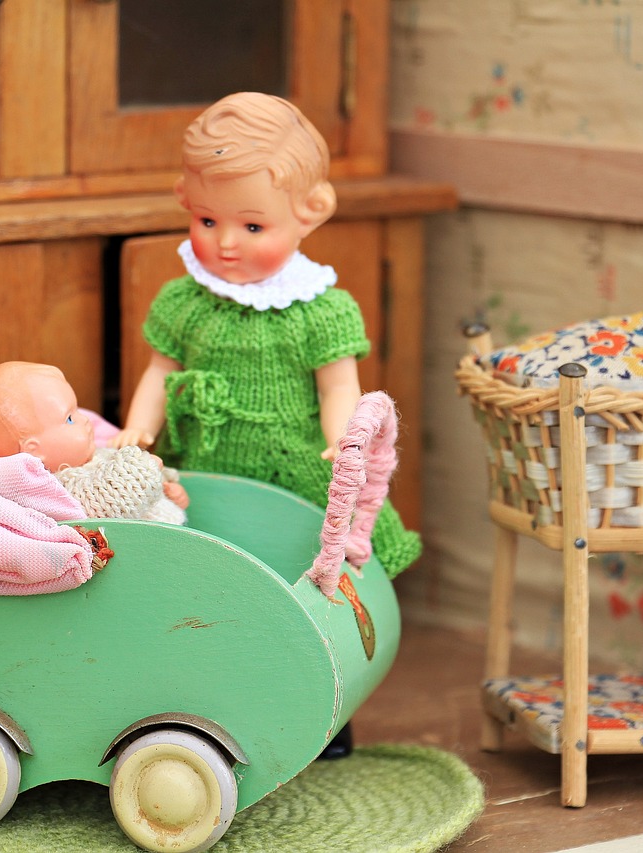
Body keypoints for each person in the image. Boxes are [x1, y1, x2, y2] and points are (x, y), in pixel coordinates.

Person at [112, 92, 420, 576]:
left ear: (311, 211)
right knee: (196, 544)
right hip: (199, 456)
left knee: (308, 539)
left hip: (290, 459)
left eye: (253, 226)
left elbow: (338, 387)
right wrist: (139, 428)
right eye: (207, 220)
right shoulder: (184, 300)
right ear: (185, 198)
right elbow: (160, 372)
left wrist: (342, 440)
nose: (226, 242)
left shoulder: (321, 311)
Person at [0, 362, 187, 524]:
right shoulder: (57, 490)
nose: (85, 420)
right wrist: (146, 468)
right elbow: (113, 499)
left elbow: (115, 462)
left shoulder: (88, 457)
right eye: (69, 418)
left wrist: (166, 486)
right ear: (33, 451)